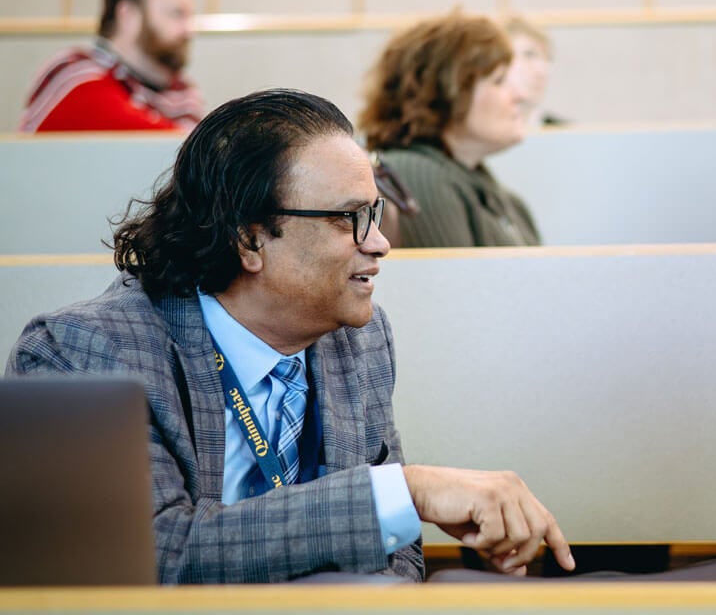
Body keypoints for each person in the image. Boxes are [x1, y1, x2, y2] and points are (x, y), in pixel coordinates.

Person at [4, 89, 574, 583]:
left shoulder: (361, 341)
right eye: (346, 218)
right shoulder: (85, 353)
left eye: (374, 213)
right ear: (249, 240)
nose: (379, 243)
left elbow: (396, 555)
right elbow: (152, 557)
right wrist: (407, 491)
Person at [359, 12, 540, 249]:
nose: (520, 96)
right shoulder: (418, 177)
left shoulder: (503, 199)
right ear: (443, 92)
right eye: (499, 81)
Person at [18, 0, 204, 133]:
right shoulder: (75, 72)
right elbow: (159, 146)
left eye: (190, 16)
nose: (189, 30)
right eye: (176, 14)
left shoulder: (183, 93)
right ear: (128, 16)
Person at [504, 16, 567, 128]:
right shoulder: (477, 134)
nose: (542, 70)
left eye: (547, 59)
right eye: (529, 55)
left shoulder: (566, 133)